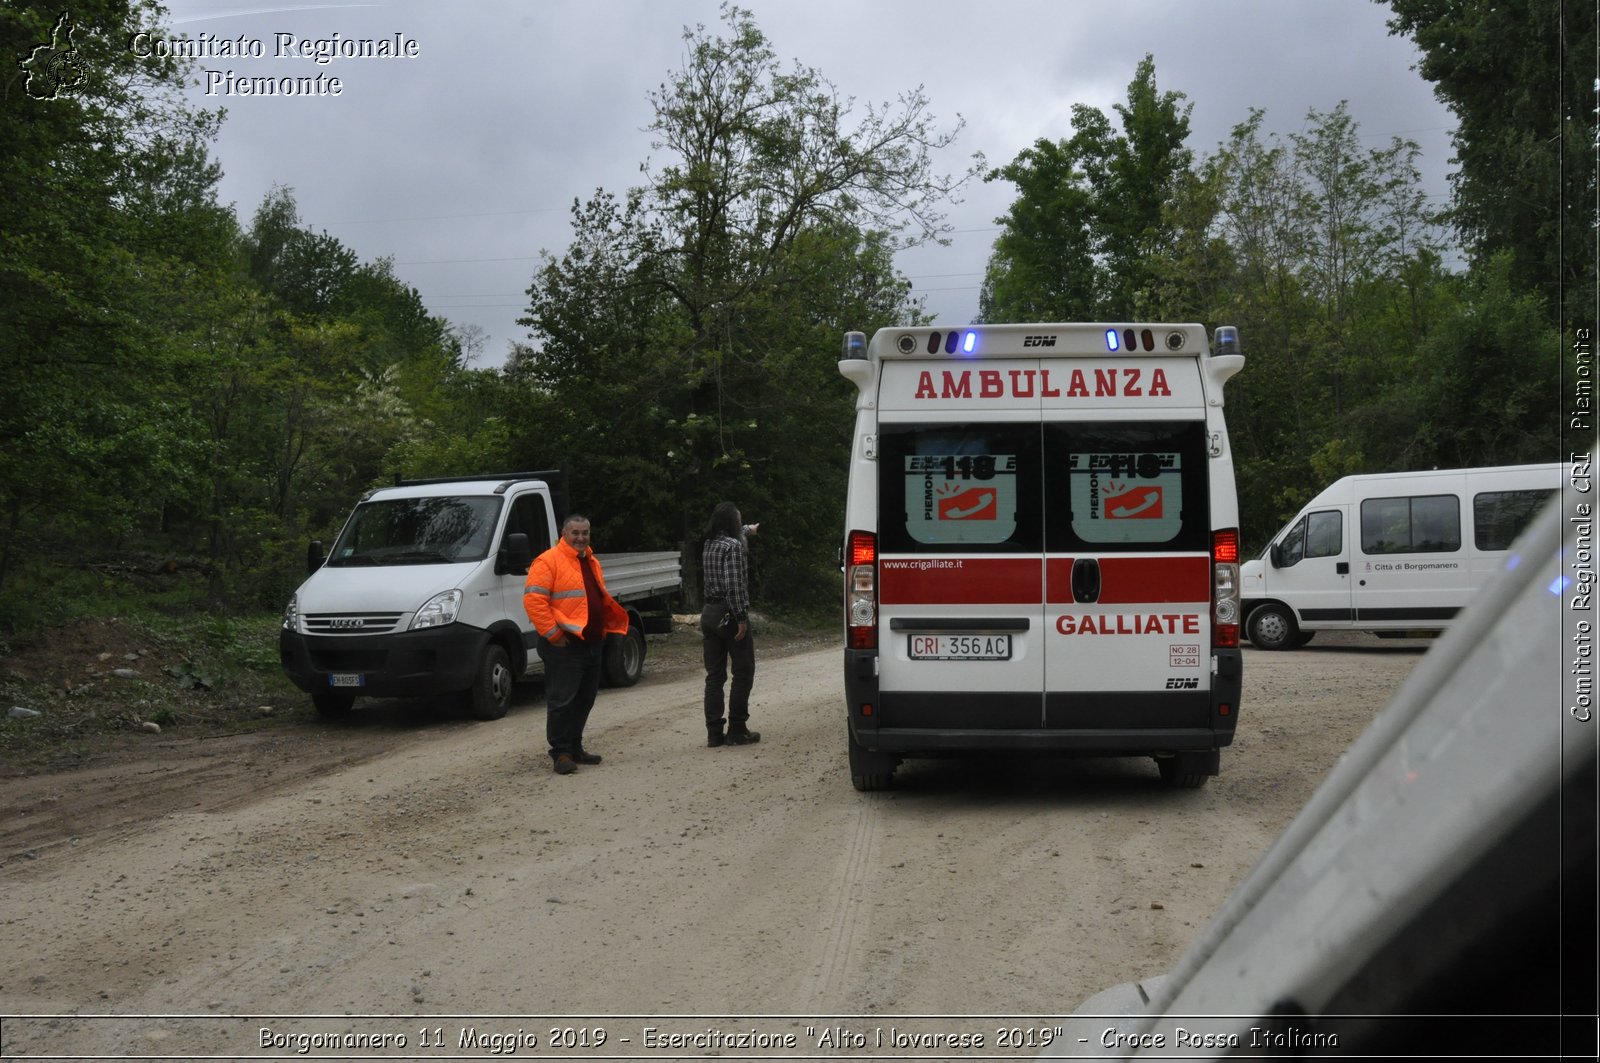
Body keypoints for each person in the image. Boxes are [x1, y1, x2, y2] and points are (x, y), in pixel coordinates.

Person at [524, 513, 630, 774]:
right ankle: (560, 754)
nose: (581, 538)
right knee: (562, 701)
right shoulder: (548, 561)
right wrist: (554, 635)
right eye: (576, 533)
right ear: (564, 533)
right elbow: (534, 601)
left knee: (584, 700)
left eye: (585, 533)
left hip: (591, 643)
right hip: (565, 645)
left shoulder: (590, 560)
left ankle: (575, 747)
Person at [700, 501, 759, 748]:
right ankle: (737, 728)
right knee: (743, 671)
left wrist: (750, 529)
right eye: (739, 519)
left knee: (714, 675)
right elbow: (733, 585)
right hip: (728, 613)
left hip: (709, 613)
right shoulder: (734, 547)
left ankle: (714, 732)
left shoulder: (710, 543)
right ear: (732, 523)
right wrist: (741, 619)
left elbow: (737, 532)